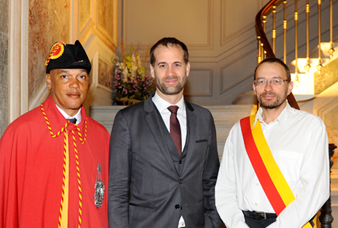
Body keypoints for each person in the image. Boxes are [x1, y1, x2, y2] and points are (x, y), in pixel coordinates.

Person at [0, 40, 110, 227]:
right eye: (65, 77)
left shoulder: (101, 136)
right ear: (49, 81)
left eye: (82, 77)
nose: (75, 85)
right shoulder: (21, 133)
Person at [108, 37, 222, 228]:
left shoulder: (204, 118)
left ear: (187, 68)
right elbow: (117, 190)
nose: (170, 73)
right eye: (162, 65)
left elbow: (211, 182)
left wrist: (212, 223)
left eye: (176, 64)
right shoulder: (127, 120)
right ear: (152, 71)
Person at [215, 57, 329, 228]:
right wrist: (237, 225)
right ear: (254, 87)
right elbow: (225, 187)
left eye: (276, 81)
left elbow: (313, 191)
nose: (268, 88)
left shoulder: (310, 127)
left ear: (289, 87)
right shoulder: (239, 131)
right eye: (262, 81)